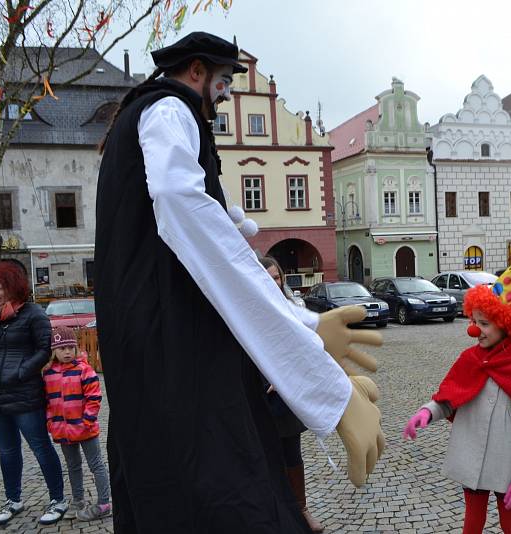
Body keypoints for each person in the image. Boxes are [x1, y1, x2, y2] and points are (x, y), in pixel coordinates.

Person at [95, 32, 384, 533]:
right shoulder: (169, 111)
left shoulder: (150, 118)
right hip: (175, 347)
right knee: (226, 487)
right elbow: (194, 221)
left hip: (158, 350)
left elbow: (214, 218)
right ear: (196, 71)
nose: (227, 93)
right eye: (224, 80)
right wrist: (320, 372)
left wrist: (305, 323)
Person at [402, 243, 511, 534]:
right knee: (472, 521)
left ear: (507, 324)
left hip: (506, 465)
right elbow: (452, 397)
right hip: (472, 459)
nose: (474, 330)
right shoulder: (470, 359)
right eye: (474, 322)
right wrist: (427, 412)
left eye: (484, 324)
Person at [0, 261, 68, 526]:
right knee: (7, 452)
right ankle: (13, 500)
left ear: (13, 287)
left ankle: (58, 499)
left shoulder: (33, 314)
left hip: (25, 394)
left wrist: (21, 371)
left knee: (40, 447)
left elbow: (43, 349)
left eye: (0, 288)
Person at [259, 256, 323, 532]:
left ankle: (301, 509)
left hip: (285, 397)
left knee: (291, 454)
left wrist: (287, 374)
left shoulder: (292, 307)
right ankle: (270, 512)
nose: (274, 282)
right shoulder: (249, 308)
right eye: (269, 277)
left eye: (277, 277)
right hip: (259, 395)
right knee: (264, 456)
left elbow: (304, 348)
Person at [43, 326, 111, 521]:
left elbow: (94, 397)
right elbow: (48, 402)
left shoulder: (84, 370)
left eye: (70, 348)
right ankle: (78, 501)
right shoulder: (48, 374)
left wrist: (87, 420)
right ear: (54, 351)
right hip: (63, 431)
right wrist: (51, 423)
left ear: (75, 348)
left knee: (96, 464)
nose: (67, 352)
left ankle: (104, 502)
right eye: (62, 348)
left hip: (85, 429)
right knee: (73, 466)